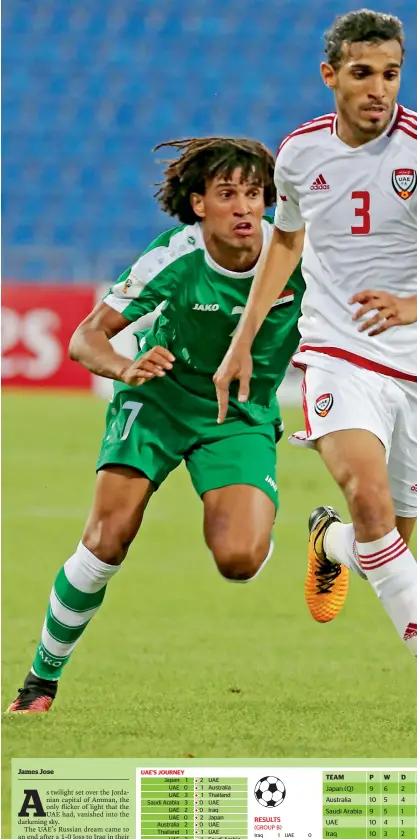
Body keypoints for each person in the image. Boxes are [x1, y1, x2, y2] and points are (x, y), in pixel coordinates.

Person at [214, 10, 417, 737]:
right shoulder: (297, 154)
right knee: (370, 497)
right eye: (362, 74)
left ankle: (328, 543)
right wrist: (243, 339)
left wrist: (415, 307)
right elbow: (286, 240)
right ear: (331, 76)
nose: (378, 89)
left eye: (390, 74)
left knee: (387, 541)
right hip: (338, 347)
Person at [8, 137, 304, 713]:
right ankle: (40, 680)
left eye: (254, 194)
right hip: (159, 398)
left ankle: (314, 534)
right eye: (227, 194)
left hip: (237, 412)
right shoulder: (176, 256)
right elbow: (84, 338)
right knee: (107, 536)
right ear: (199, 204)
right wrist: (125, 366)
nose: (245, 207)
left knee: (239, 561)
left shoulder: (297, 256)